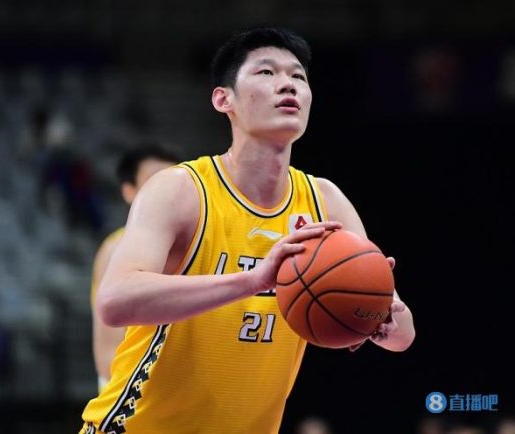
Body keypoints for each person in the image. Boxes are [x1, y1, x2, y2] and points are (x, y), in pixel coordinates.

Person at [80, 26, 415, 434]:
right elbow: (114, 302)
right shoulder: (181, 190)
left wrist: (383, 313)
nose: (287, 84)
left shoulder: (325, 202)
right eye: (266, 72)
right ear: (224, 99)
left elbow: (401, 336)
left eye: (298, 76)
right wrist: (254, 280)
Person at [91, 144, 179, 392]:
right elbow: (108, 358)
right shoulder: (116, 249)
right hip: (132, 395)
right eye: (154, 183)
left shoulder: (193, 243)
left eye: (172, 182)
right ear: (129, 192)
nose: (166, 192)